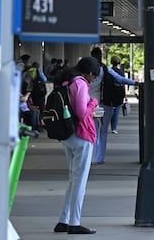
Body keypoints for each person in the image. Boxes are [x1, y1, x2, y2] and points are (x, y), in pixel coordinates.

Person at [53, 57, 99, 235]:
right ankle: (74, 222)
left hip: (68, 136)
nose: (92, 78)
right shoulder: (80, 84)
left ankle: (63, 220)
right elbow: (81, 112)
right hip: (81, 135)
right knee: (80, 182)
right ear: (88, 72)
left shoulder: (67, 82)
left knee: (73, 180)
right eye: (93, 75)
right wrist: (93, 102)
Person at [89, 47, 136, 164]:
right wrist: (136, 83)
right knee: (103, 131)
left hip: (88, 103)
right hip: (103, 103)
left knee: (92, 129)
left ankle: (91, 156)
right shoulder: (104, 69)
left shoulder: (86, 69)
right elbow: (120, 79)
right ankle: (100, 157)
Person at [104, 56, 126, 134]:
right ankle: (114, 128)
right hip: (118, 93)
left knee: (108, 110)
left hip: (109, 93)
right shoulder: (121, 72)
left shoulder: (107, 72)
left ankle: (105, 126)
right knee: (116, 111)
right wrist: (124, 94)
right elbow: (123, 83)